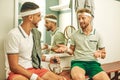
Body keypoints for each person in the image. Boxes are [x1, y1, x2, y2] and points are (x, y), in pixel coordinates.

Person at [5, 2, 66, 80]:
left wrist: (49, 59)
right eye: (38, 16)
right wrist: (35, 77)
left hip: (33, 69)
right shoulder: (14, 35)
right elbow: (14, 67)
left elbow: (34, 56)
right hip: (16, 72)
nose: (40, 19)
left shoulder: (33, 34)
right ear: (30, 17)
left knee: (61, 79)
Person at [59, 8, 110, 80]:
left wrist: (100, 54)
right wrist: (67, 49)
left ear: (90, 18)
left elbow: (104, 54)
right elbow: (71, 51)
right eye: (79, 19)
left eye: (83, 18)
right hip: (78, 63)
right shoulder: (74, 34)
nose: (80, 21)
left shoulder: (98, 34)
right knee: (78, 78)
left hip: (93, 64)